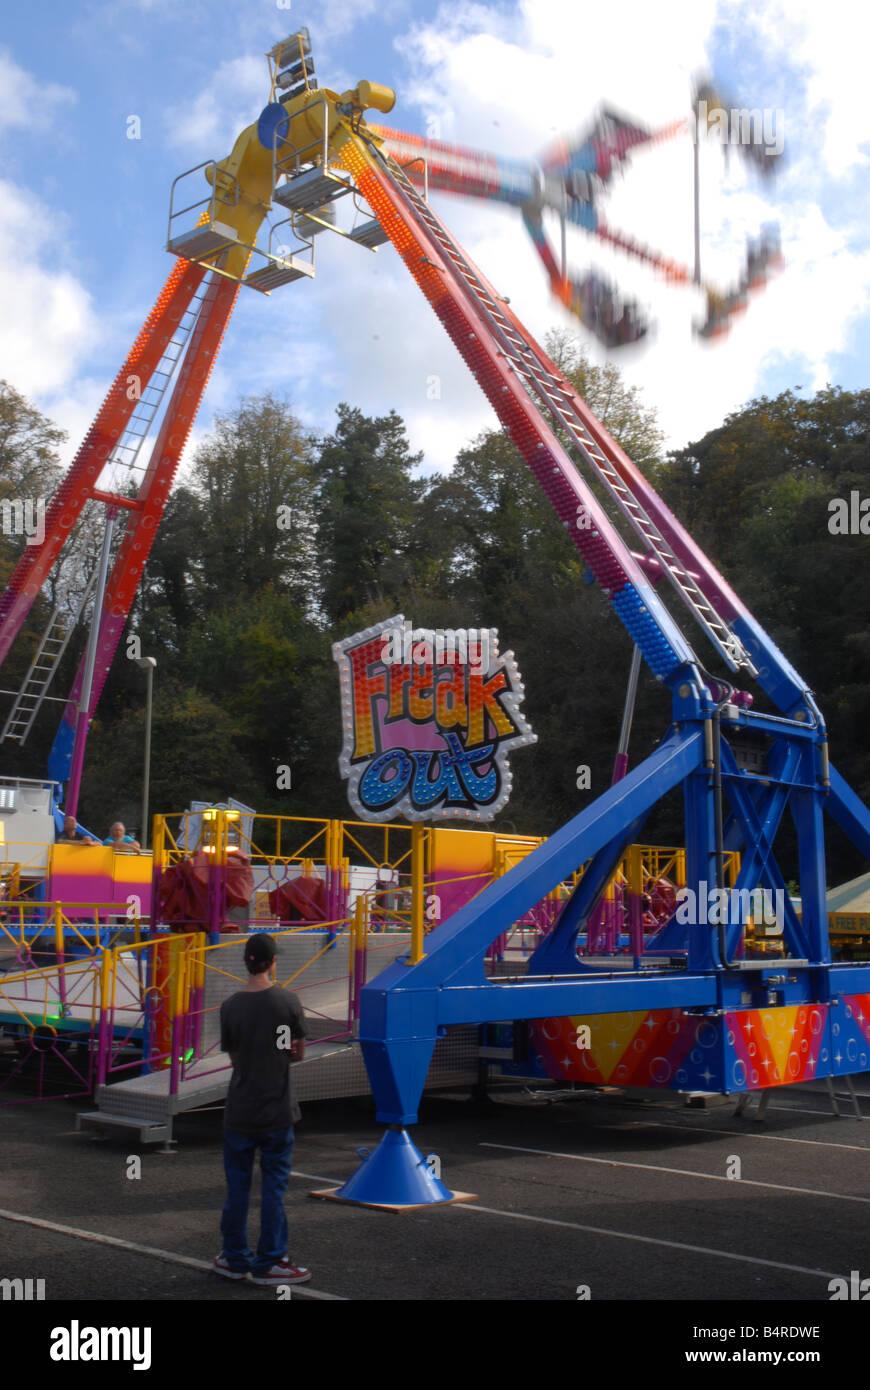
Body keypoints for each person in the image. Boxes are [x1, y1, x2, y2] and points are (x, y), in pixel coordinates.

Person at [213, 933, 311, 1286]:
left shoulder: (230, 1006)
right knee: (273, 1187)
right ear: (272, 962)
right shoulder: (286, 1002)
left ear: (246, 961)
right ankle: (271, 1261)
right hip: (276, 1109)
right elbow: (294, 1052)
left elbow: (235, 1056)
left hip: (239, 1109)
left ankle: (233, 1258)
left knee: (237, 1187)